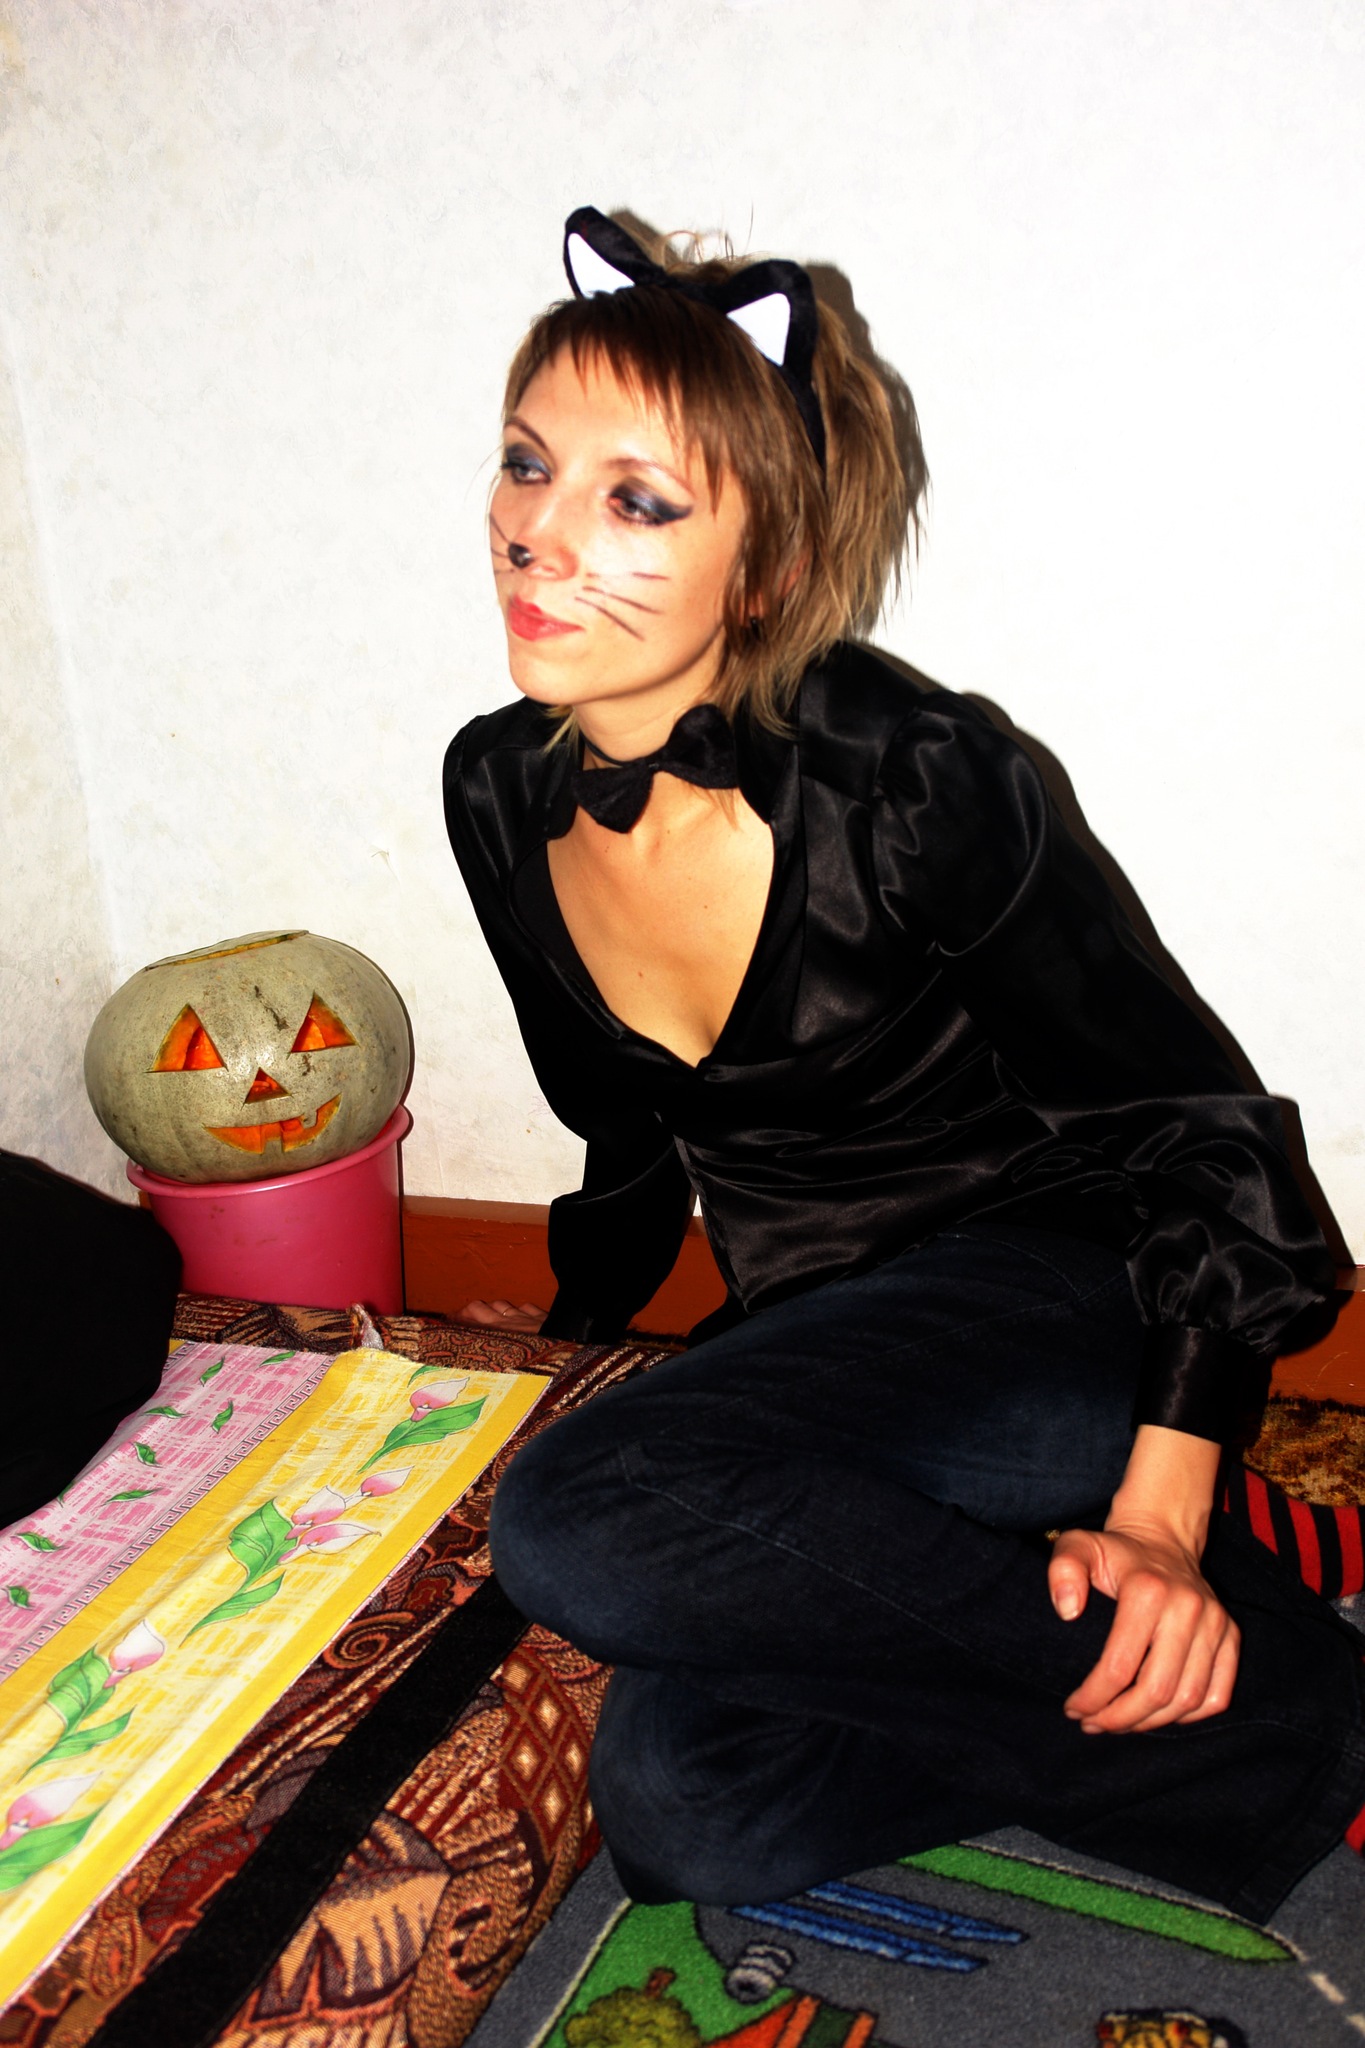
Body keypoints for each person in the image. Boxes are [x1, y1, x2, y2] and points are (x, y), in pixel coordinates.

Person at [443, 207, 1365, 1918]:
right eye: (526, 464)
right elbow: (626, 1134)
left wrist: (1158, 1508)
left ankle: (1287, 1699)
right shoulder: (498, 791)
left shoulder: (913, 777)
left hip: (1056, 1312)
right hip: (830, 1353)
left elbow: (1201, 1132)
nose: (537, 537)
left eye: (635, 501)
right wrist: (569, 1339)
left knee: (572, 1522)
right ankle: (1222, 1611)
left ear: (769, 571)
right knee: (679, 1811)